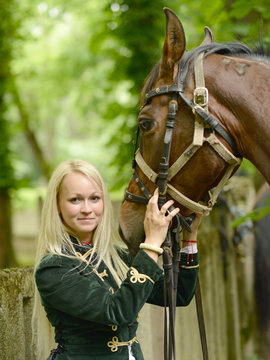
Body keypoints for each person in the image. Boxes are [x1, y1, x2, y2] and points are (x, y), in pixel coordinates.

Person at [32, 159, 201, 360]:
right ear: (58, 205)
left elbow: (177, 295)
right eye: (75, 200)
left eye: (94, 198)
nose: (87, 208)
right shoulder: (53, 267)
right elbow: (118, 311)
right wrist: (152, 243)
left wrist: (189, 239)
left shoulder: (114, 255)